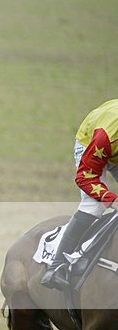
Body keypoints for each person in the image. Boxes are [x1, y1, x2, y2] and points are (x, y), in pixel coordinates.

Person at [41, 99, 118, 290]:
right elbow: (86, 177)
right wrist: (111, 200)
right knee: (94, 205)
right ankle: (57, 265)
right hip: (91, 145)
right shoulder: (105, 137)